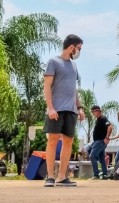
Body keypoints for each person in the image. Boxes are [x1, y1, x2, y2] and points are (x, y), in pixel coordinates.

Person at [43, 34, 84, 187]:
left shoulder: (74, 65)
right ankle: (50, 177)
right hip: (56, 109)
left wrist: (79, 108)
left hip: (71, 110)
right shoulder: (53, 62)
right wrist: (50, 108)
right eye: (78, 48)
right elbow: (47, 86)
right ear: (71, 47)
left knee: (68, 141)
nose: (79, 52)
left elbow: (74, 89)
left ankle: (61, 177)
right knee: (53, 140)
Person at [89, 105, 113, 179]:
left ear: (97, 111)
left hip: (100, 141)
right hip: (98, 141)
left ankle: (96, 174)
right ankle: (105, 174)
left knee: (92, 156)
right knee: (102, 158)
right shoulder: (98, 119)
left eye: (93, 112)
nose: (93, 114)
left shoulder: (103, 118)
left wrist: (107, 137)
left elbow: (110, 127)